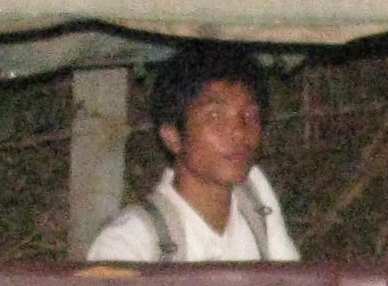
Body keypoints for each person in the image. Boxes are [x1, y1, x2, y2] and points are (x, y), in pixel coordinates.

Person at [86, 43, 300, 263]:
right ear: (173, 136)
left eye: (250, 115)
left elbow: (289, 281)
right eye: (215, 116)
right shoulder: (129, 243)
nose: (239, 131)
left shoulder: (255, 197)